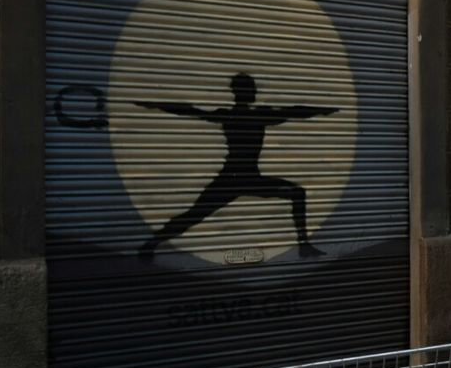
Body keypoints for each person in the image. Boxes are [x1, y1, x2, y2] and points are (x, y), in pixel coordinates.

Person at [135, 72, 336, 260]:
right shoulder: (256, 115)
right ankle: (151, 243)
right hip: (238, 179)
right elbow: (293, 112)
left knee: (296, 193)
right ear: (243, 92)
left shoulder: (234, 115)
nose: (255, 92)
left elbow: (191, 111)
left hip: (240, 178)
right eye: (252, 89)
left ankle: (304, 245)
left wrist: (156, 104)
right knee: (194, 215)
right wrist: (321, 111)